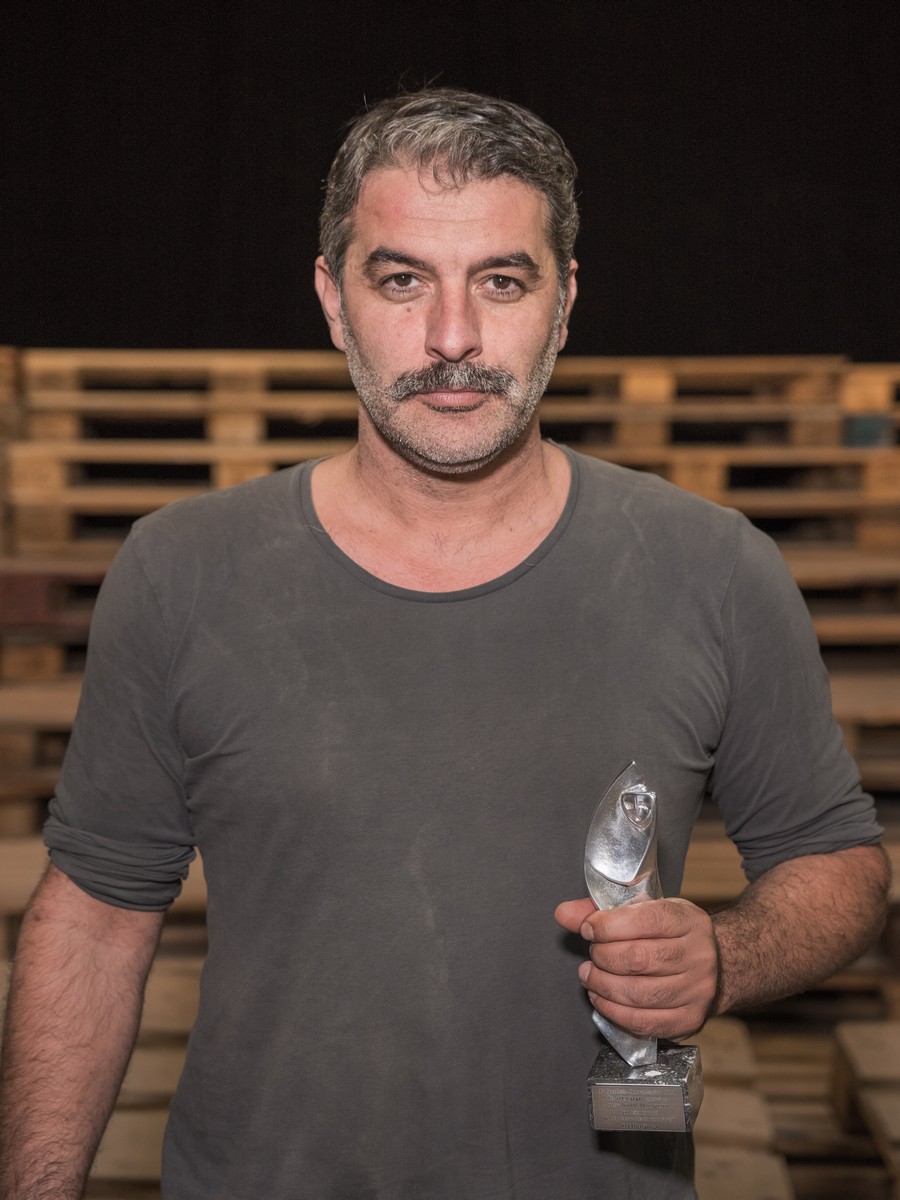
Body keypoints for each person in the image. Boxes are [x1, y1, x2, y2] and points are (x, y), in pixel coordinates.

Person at [0, 87, 889, 1200]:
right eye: (402, 280)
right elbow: (93, 920)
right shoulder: (182, 572)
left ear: (564, 303)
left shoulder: (712, 570)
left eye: (502, 281)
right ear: (333, 301)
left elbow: (838, 866)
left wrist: (725, 956)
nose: (454, 338)